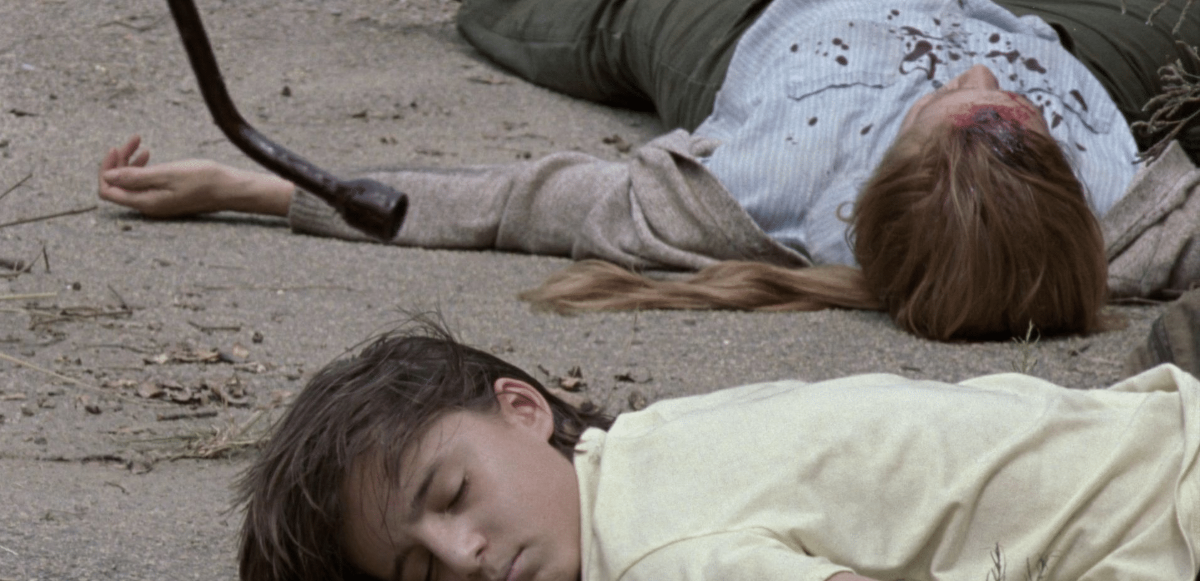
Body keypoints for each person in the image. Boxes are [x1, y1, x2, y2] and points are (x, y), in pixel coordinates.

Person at [99, 0, 1200, 339]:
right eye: (1021, 122)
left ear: (878, 184)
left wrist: (256, 185)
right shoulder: (1135, 227)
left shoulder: (741, 199)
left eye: (957, 105)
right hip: (1066, 32)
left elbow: (513, 205)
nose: (974, 75)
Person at [234, 316, 1200, 581]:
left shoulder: (648, 552)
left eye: (451, 494)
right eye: (420, 573)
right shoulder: (663, 446)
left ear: (524, 408)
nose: (464, 556)